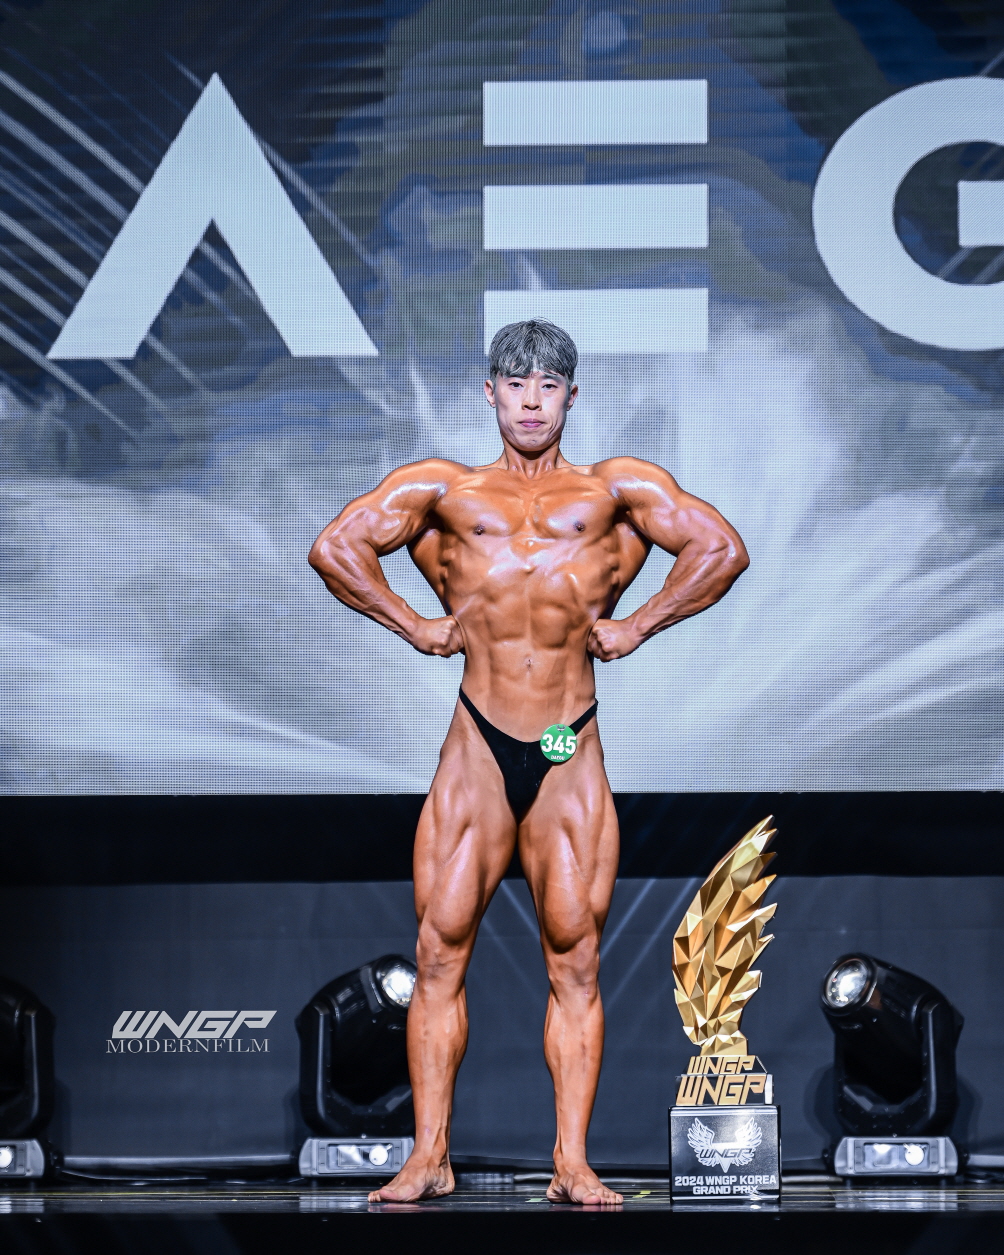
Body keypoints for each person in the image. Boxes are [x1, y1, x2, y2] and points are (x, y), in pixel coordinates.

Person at [308, 320, 749, 1204]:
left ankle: (571, 1163)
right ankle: (429, 1154)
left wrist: (639, 623)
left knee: (575, 959)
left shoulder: (614, 490)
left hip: (563, 744)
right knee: (438, 951)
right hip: (479, 742)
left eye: (549, 385)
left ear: (571, 396)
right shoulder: (445, 489)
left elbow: (721, 548)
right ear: (491, 394)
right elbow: (335, 547)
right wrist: (415, 624)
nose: (532, 402)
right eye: (516, 385)